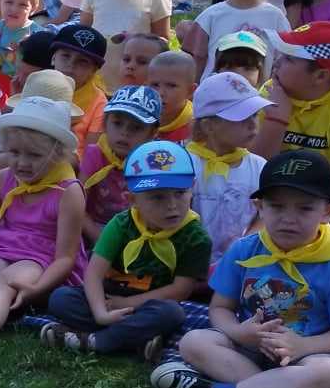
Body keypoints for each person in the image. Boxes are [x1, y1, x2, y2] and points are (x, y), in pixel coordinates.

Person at [149, 150, 330, 388]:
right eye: (277, 207)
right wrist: (239, 333)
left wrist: (301, 347)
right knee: (194, 341)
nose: (289, 219)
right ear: (259, 207)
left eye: (304, 209)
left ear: (328, 212)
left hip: (304, 357)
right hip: (248, 350)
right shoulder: (245, 249)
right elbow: (220, 308)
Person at [0, 95, 87, 358]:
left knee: (3, 282)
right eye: (15, 153)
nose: (22, 162)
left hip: (44, 263)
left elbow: (65, 258)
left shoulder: (68, 192)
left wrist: (38, 288)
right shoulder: (1, 180)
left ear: (58, 154)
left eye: (34, 155)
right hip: (3, 250)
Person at [41, 140, 210, 359]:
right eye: (157, 197)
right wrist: (101, 312)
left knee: (173, 313)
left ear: (192, 188)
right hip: (109, 295)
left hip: (150, 304)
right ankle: (134, 339)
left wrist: (128, 304)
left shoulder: (196, 238)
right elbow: (93, 274)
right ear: (133, 200)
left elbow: (179, 291)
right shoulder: (121, 225)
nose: (172, 205)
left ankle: (97, 341)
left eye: (180, 193)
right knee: (61, 299)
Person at [253, 21, 330, 192]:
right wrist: (276, 120)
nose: (277, 62)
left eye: (288, 58)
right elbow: (252, 167)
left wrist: (284, 182)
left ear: (320, 76)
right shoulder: (273, 89)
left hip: (318, 206)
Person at [187, 70, 270, 262]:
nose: (253, 124)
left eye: (255, 114)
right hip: (189, 267)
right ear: (209, 126)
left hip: (240, 264)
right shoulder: (186, 164)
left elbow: (264, 215)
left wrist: (245, 245)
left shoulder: (259, 168)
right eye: (242, 117)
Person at [80, 85, 163, 241]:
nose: (124, 133)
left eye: (136, 127)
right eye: (117, 123)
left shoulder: (153, 160)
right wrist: (102, 242)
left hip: (136, 233)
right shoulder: (95, 153)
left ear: (152, 133)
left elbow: (154, 210)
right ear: (104, 123)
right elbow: (78, 206)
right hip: (94, 229)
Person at [149, 50, 198, 143]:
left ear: (190, 91)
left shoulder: (196, 129)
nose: (160, 93)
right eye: (155, 85)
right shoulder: (138, 118)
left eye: (171, 86)